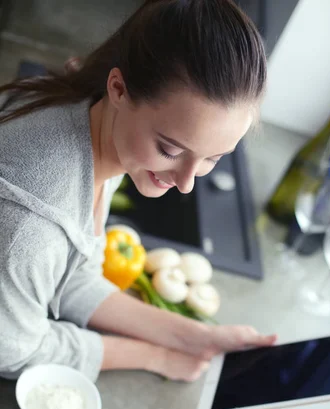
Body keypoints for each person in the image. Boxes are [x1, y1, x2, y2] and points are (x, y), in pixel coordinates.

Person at [0, 0, 275, 383]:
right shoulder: (31, 225)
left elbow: (72, 277)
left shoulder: (95, 121)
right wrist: (154, 357)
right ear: (119, 88)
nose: (186, 182)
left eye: (214, 158)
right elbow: (16, 352)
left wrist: (200, 337)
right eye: (171, 150)